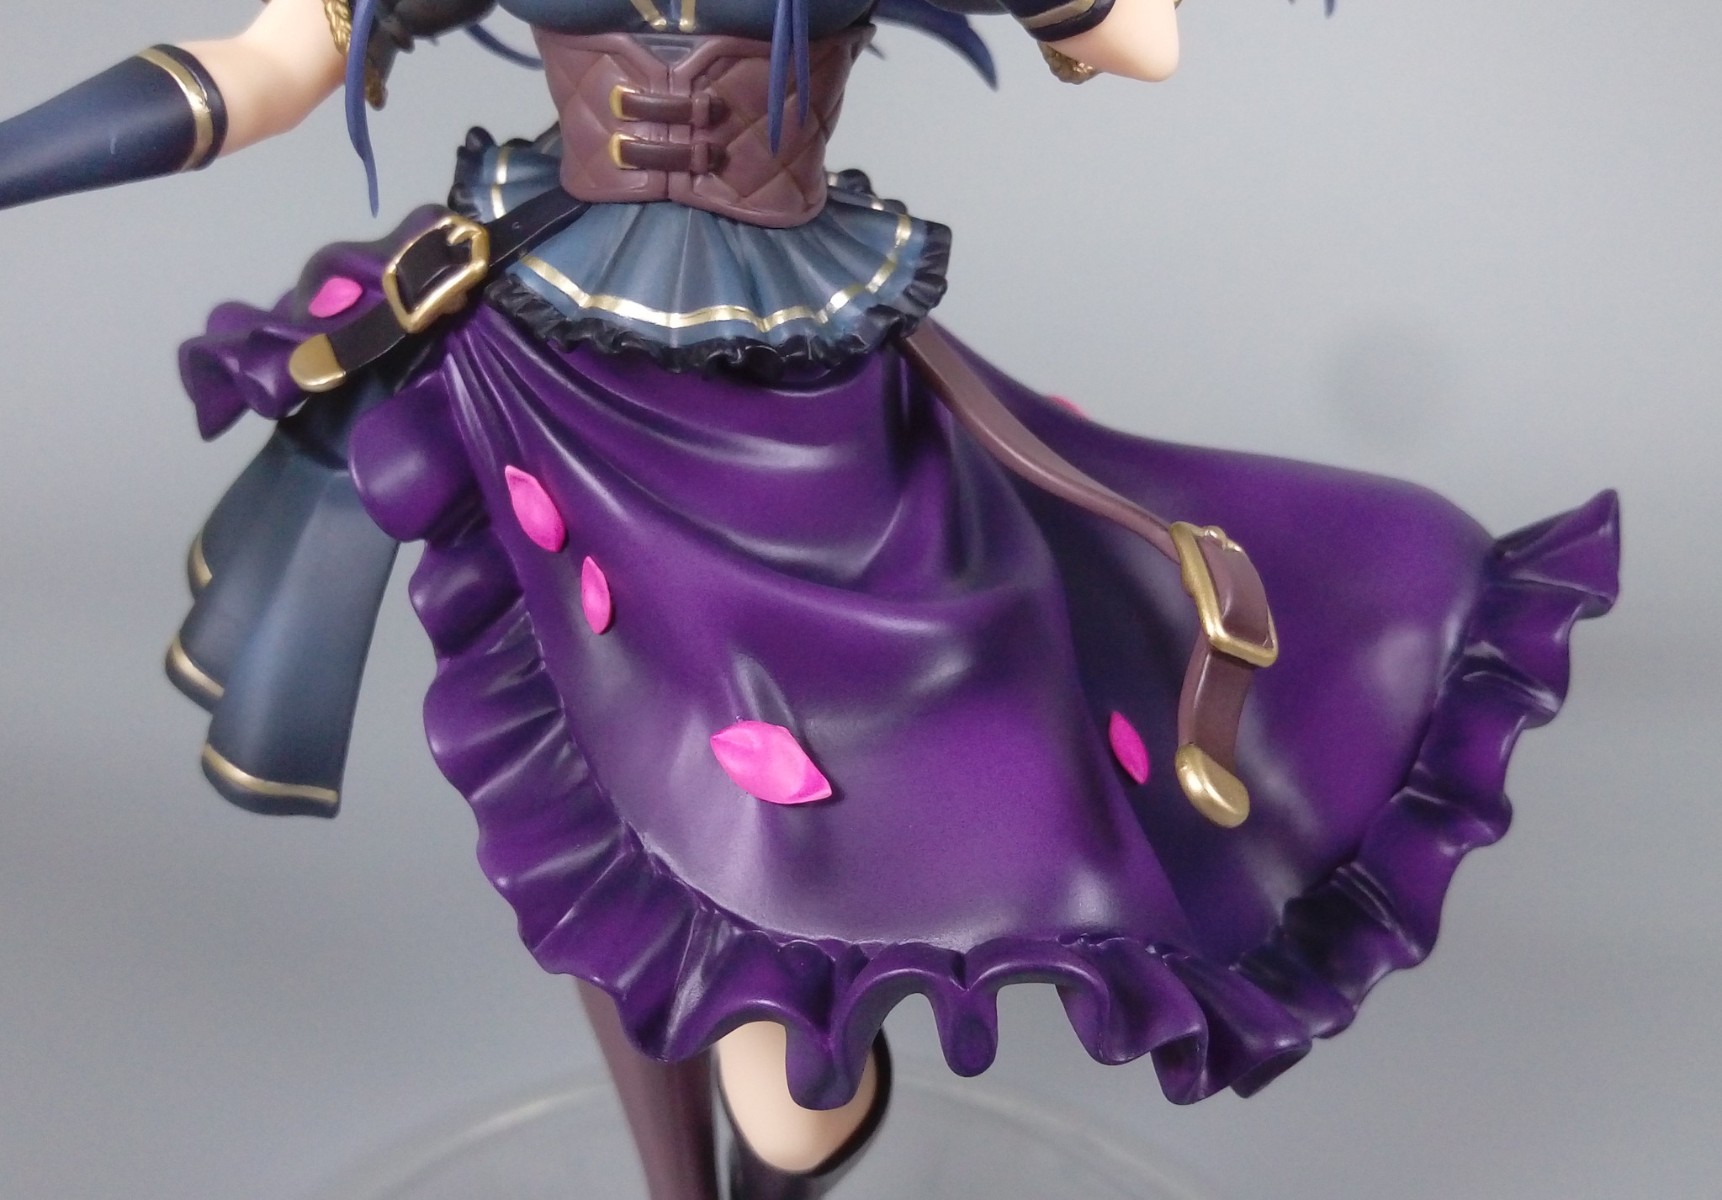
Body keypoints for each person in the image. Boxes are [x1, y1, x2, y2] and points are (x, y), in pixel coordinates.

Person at [0, 2, 1619, 1198]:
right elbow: (266, 63)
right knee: (598, 815)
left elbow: (1140, 40)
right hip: (545, 368)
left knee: (793, 1048)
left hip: (804, 407)